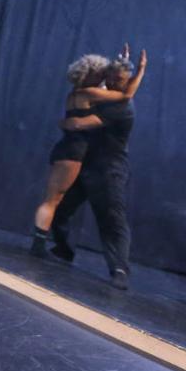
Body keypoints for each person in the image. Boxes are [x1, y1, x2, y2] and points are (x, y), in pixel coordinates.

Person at [49, 47, 147, 290]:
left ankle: (120, 268)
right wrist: (121, 61)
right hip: (86, 166)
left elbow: (83, 122)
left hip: (110, 170)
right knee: (60, 209)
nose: (114, 82)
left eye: (120, 80)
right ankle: (63, 249)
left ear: (128, 83)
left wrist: (71, 123)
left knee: (112, 219)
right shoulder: (103, 94)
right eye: (111, 77)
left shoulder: (123, 106)